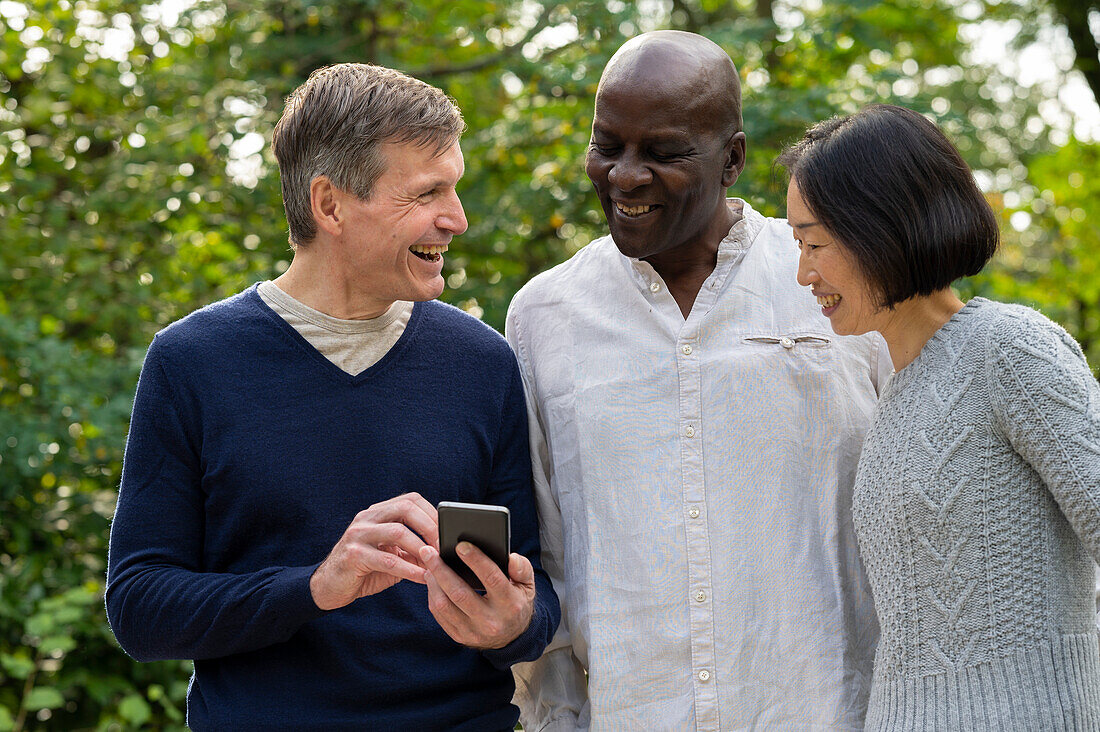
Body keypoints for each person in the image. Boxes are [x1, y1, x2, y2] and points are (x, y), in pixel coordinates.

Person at [106, 63, 559, 731]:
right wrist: (315, 587)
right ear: (330, 205)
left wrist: (514, 623)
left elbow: (537, 591)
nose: (456, 218)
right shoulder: (192, 362)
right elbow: (142, 610)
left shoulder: (482, 362)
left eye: (454, 188)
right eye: (428, 192)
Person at [506, 31, 893, 730]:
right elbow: (549, 553)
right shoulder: (543, 315)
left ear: (733, 159)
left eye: (663, 153)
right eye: (607, 145)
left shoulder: (835, 283)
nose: (624, 176)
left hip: (830, 710)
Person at [781, 103, 1100, 729]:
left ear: (883, 228)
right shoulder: (898, 391)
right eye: (797, 244)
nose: (802, 273)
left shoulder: (1007, 349)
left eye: (814, 243)